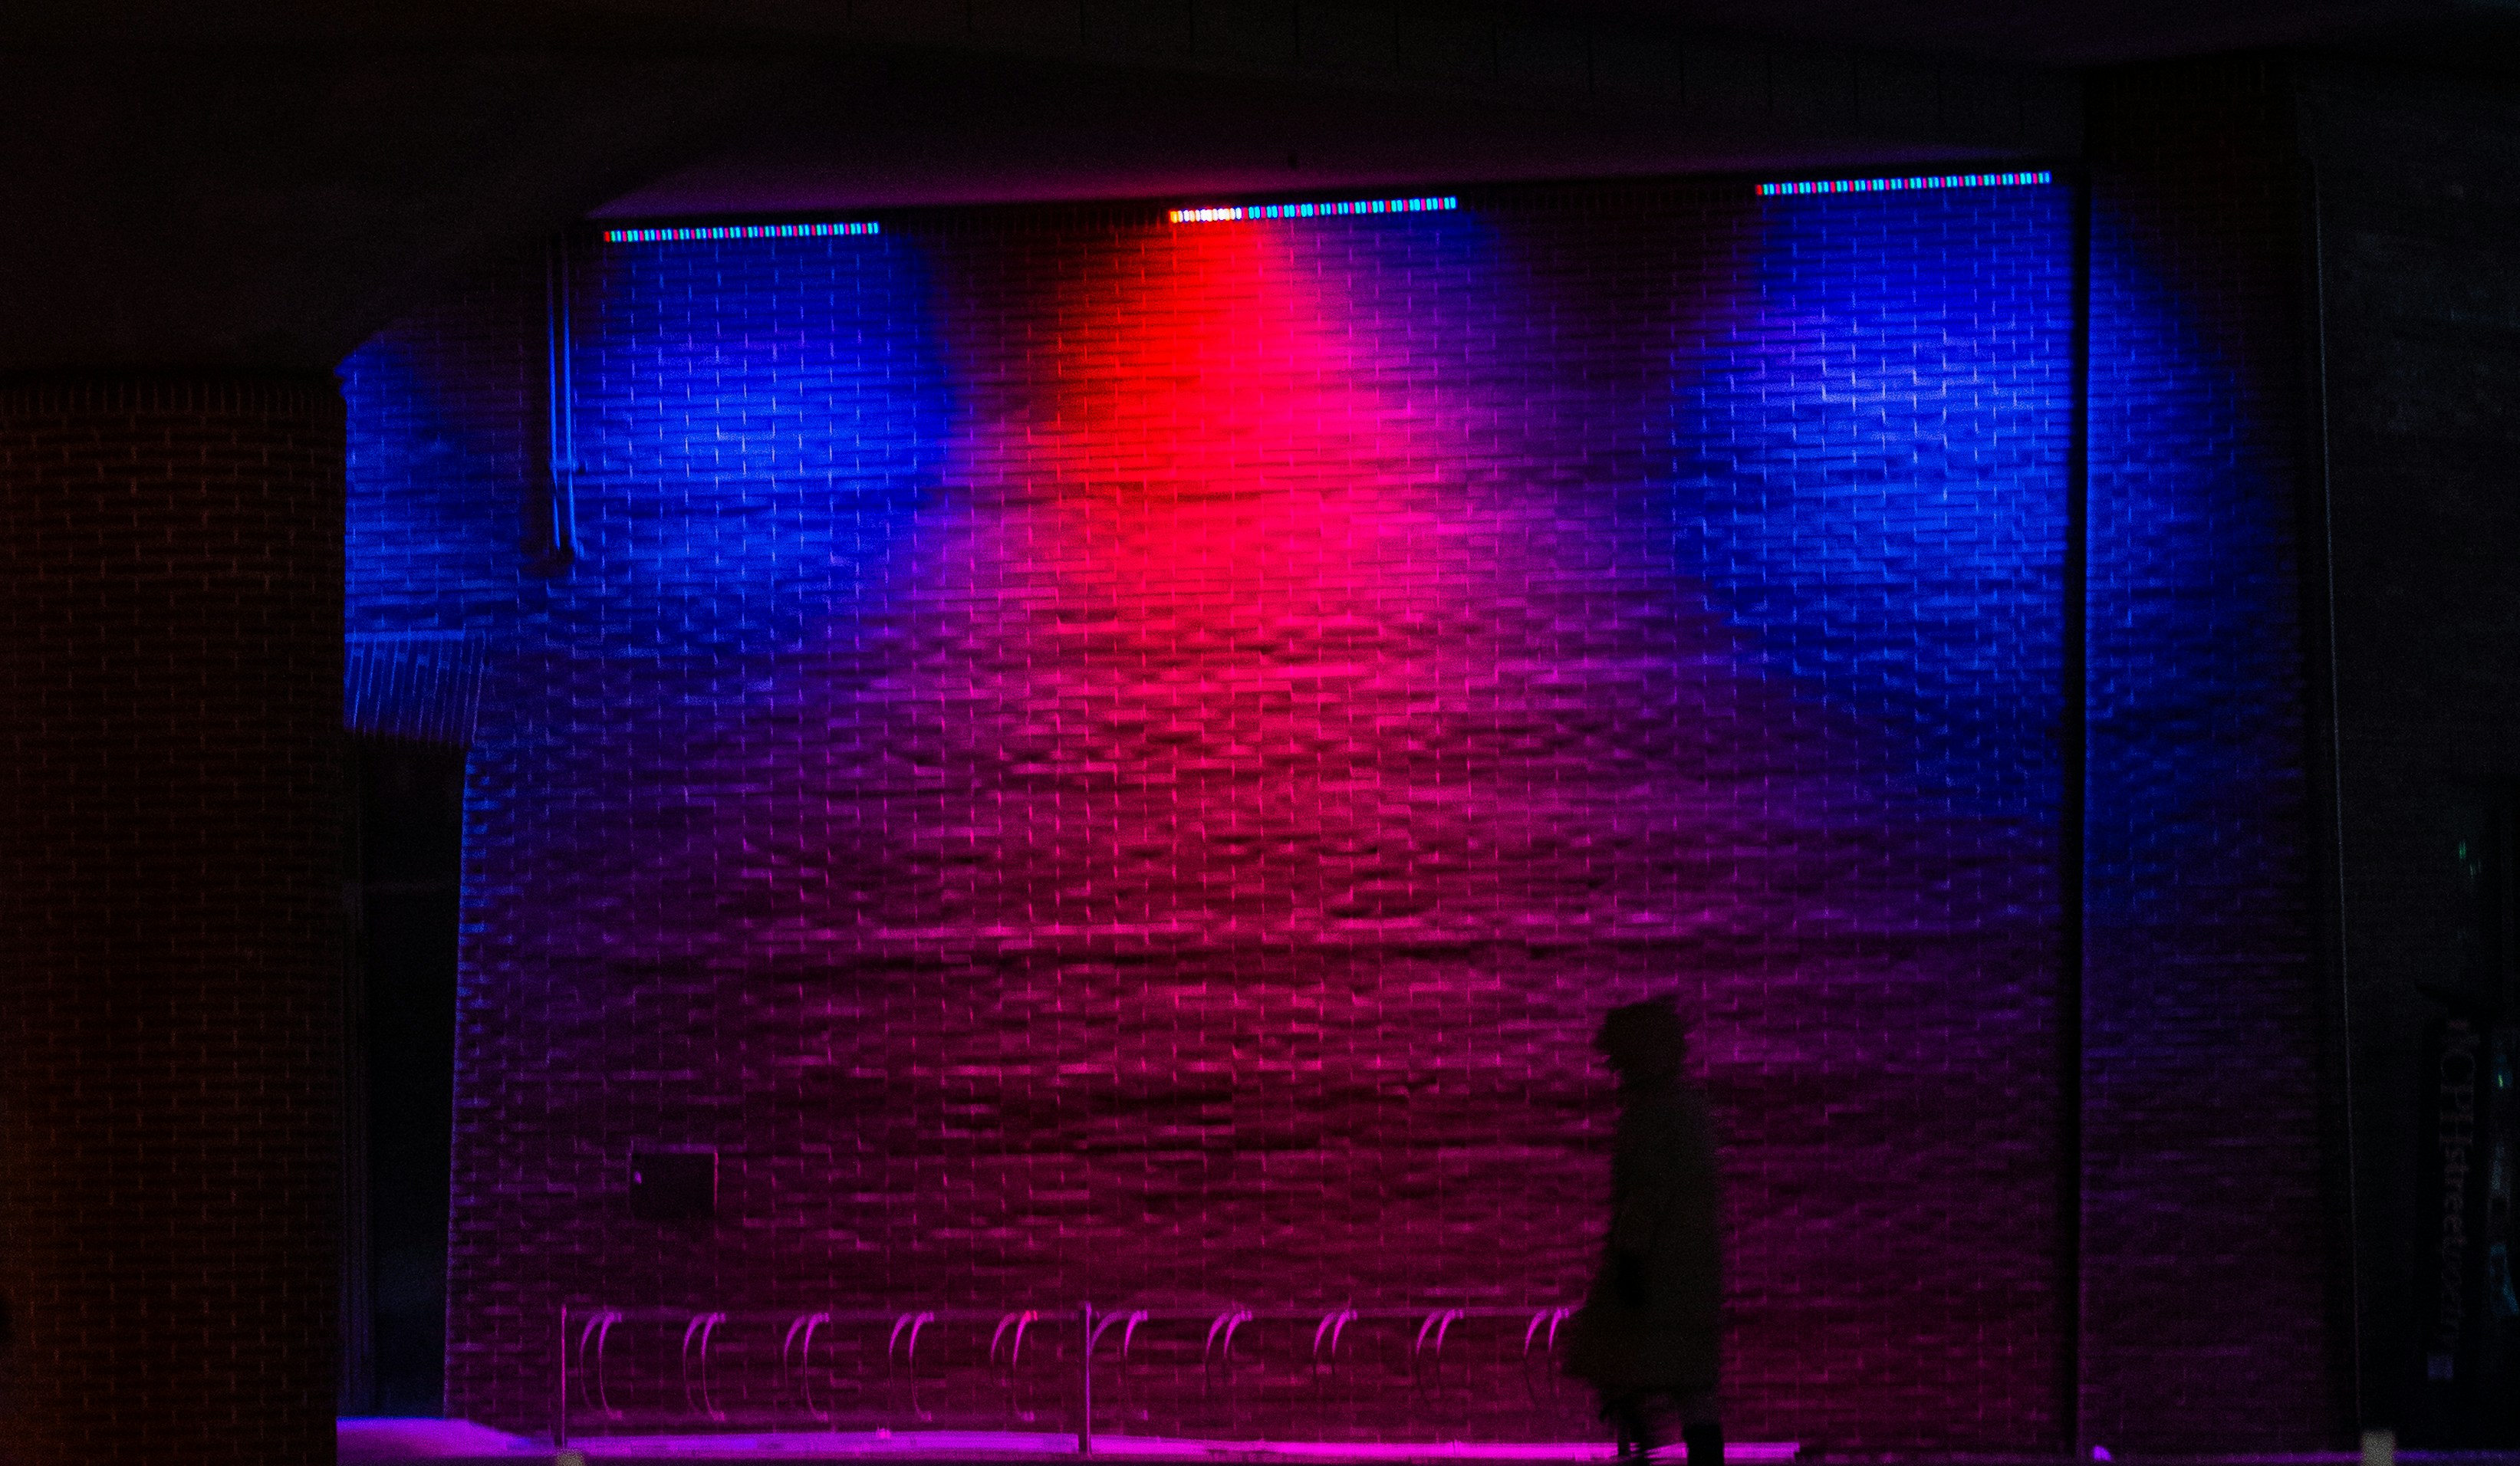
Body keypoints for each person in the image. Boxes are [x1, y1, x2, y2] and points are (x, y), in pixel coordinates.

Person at [1563, 997, 1723, 1466]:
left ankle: (1636, 1440)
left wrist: (1630, 1257)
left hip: (1654, 1273)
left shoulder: (1650, 1115)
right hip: (1693, 1273)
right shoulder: (1693, 1111)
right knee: (1694, 1387)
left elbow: (1645, 1194)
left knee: (1607, 1356)